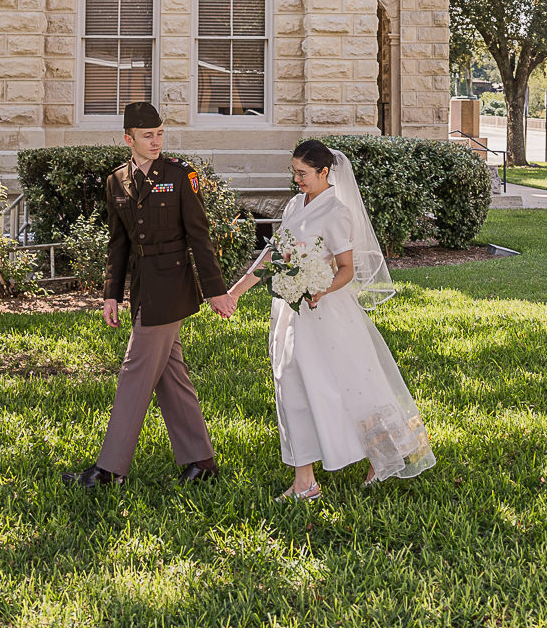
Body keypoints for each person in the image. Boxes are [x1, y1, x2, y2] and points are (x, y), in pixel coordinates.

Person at [225, 139, 435, 500]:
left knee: (355, 384)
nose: (297, 180)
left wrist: (319, 289)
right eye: (294, 173)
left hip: (327, 312)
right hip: (290, 312)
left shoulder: (336, 212)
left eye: (303, 173)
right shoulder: (293, 205)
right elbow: (273, 254)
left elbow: (346, 269)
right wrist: (235, 291)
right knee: (291, 388)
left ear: (324, 172)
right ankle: (305, 481)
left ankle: (386, 449)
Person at [63, 101, 234, 489]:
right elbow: (118, 242)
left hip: (171, 286)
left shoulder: (179, 175)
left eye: (159, 134)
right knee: (169, 374)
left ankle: (110, 470)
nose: (155, 141)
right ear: (129, 139)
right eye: (147, 136)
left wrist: (215, 291)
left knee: (135, 371)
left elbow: (199, 238)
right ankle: (201, 462)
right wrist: (111, 293)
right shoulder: (116, 180)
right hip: (142, 287)